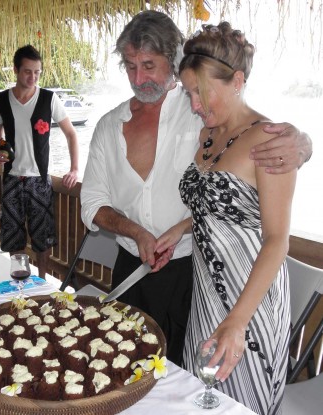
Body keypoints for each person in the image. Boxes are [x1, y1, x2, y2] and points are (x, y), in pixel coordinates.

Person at [80, 10, 312, 366]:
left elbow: (251, 129)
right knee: (121, 365)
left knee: (183, 378)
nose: (138, 78)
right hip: (131, 266)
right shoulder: (109, 125)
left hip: (191, 270)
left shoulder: (201, 111)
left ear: (172, 62)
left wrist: (302, 142)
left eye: (148, 64)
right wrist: (138, 232)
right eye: (129, 66)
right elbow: (92, 202)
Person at [155, 21, 295, 415]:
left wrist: (237, 320)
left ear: (237, 80)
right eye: (189, 94)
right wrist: (182, 227)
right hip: (205, 296)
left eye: (202, 92)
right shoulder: (207, 136)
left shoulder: (272, 141)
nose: (195, 105)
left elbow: (277, 239)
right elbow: (219, 203)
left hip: (249, 302)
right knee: (202, 400)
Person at [0, 45, 79, 279]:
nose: (33, 77)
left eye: (37, 72)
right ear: (17, 71)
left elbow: (71, 134)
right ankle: (21, 280)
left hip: (39, 180)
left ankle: (41, 282)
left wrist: (74, 169)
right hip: (11, 179)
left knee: (43, 239)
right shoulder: (0, 100)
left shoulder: (49, 99)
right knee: (13, 238)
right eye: (28, 71)